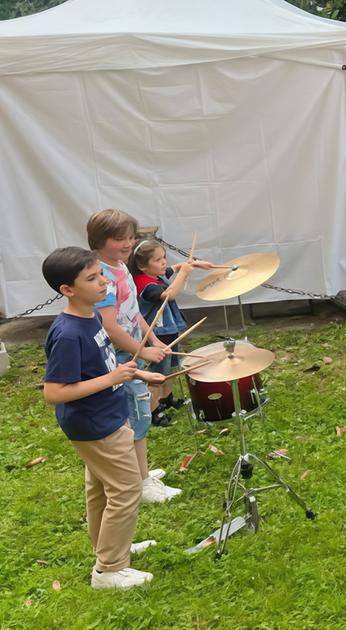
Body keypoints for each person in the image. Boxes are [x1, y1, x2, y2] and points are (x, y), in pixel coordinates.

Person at [41, 247, 160, 590]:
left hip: (106, 414)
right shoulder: (68, 333)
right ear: (68, 289)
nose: (104, 282)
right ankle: (109, 569)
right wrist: (113, 380)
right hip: (94, 424)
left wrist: (138, 375)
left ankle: (110, 547)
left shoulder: (91, 315)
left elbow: (106, 366)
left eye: (101, 274)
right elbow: (55, 392)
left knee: (100, 491)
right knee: (125, 490)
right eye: (92, 278)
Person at [87, 209, 177, 504]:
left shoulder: (120, 266)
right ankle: (141, 483)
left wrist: (151, 338)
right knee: (137, 415)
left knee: (138, 413)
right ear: (98, 240)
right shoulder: (100, 276)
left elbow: (133, 311)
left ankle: (142, 471)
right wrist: (141, 350)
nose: (127, 244)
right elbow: (110, 327)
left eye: (130, 237)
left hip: (132, 350)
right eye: (118, 239)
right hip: (119, 357)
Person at [129, 241, 213, 425]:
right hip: (157, 334)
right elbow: (169, 294)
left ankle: (167, 400)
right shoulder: (145, 284)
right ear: (142, 266)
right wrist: (184, 273)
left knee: (169, 370)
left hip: (168, 330)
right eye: (158, 259)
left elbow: (171, 270)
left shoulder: (154, 274)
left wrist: (191, 265)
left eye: (164, 257)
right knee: (157, 375)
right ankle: (153, 412)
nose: (164, 263)